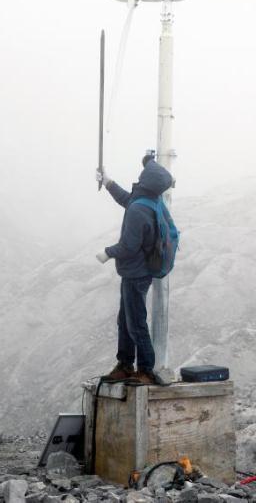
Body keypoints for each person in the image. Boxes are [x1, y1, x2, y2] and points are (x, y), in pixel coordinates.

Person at [95, 154, 173, 385]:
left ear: (146, 180)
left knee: (135, 322)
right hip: (137, 272)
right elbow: (127, 199)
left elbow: (128, 247)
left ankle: (145, 370)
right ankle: (126, 364)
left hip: (136, 274)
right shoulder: (150, 200)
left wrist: (107, 252)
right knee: (126, 320)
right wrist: (108, 183)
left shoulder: (140, 210)